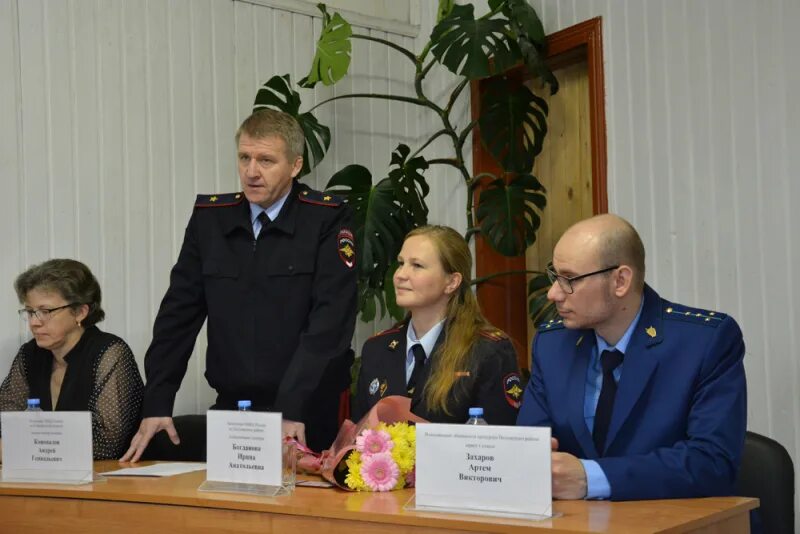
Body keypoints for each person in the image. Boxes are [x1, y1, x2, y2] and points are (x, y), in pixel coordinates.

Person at [121, 109, 357, 462]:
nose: (252, 172)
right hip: (233, 407)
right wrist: (157, 402)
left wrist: (293, 408)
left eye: (266, 160)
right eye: (244, 157)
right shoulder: (212, 220)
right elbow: (177, 317)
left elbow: (330, 323)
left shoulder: (325, 218)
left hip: (306, 411)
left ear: (295, 165)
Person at [517, 214, 747, 502]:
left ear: (621, 281)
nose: (553, 294)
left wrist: (591, 478)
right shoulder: (552, 345)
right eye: (555, 276)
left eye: (569, 279)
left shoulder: (703, 342)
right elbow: (529, 447)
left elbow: (712, 463)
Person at [353, 225, 522, 424]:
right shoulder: (377, 348)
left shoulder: (487, 351)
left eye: (417, 265)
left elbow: (499, 443)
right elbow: (359, 439)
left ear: (452, 282)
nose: (400, 275)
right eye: (401, 263)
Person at [0, 259, 143, 460]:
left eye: (45, 312)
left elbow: (107, 444)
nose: (34, 322)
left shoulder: (110, 352)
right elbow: (5, 417)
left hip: (107, 478)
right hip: (45, 475)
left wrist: (22, 448)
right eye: (30, 312)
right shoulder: (30, 354)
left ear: (80, 312)